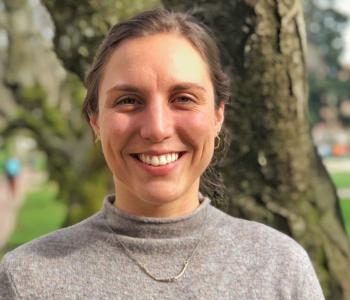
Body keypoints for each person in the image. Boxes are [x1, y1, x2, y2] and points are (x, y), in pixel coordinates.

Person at [0, 9, 324, 299]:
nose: (157, 129)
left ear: (217, 116)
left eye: (183, 98)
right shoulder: (29, 279)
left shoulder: (279, 268)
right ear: (96, 121)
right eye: (128, 100)